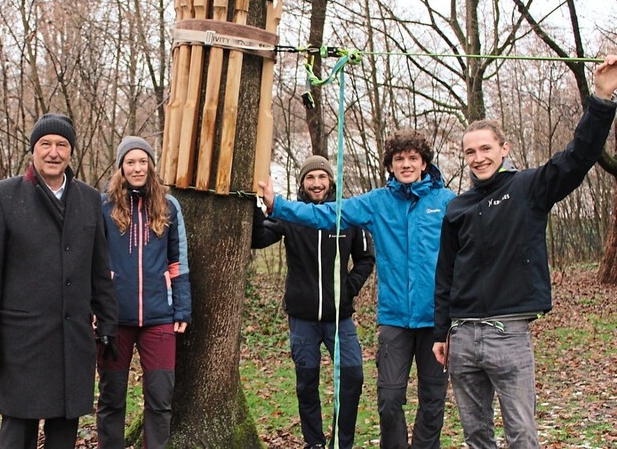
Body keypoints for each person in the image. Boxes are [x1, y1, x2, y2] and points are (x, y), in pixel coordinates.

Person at [432, 55, 617, 448]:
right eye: (470, 152)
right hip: (462, 337)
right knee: (476, 435)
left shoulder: (529, 189)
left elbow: (579, 156)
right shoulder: (456, 207)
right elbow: (445, 274)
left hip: (508, 334)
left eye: (486, 148)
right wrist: (440, 332)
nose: (479, 157)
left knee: (521, 434)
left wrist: (601, 97)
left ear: (504, 149)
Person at [260, 130, 455, 449]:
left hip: (436, 320)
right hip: (394, 321)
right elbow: (323, 214)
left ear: (424, 163)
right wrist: (276, 205)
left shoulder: (446, 202)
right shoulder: (377, 202)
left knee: (432, 400)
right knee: (390, 400)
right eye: (398, 159)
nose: (406, 164)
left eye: (412, 158)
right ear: (390, 166)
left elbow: (469, 248)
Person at [0, 113, 119, 449]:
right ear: (33, 150)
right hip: (21, 341)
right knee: (17, 433)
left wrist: (108, 321)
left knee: (64, 432)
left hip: (72, 339)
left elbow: (100, 268)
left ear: (71, 152)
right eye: (46, 144)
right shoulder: (3, 196)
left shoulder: (89, 199)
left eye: (62, 145)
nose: (54, 152)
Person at [251, 155, 375, 449]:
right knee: (307, 381)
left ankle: (342, 442)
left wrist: (348, 289)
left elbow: (366, 258)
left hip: (339, 318)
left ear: (331, 181)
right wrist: (255, 207)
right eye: (310, 178)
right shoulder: (291, 215)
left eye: (322, 177)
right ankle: (314, 442)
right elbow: (259, 238)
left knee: (353, 375)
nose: (317, 183)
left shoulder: (347, 214)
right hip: (303, 317)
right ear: (302, 183)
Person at [96, 136, 192, 449]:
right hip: (114, 318)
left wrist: (182, 308)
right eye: (130, 162)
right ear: (121, 167)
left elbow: (178, 262)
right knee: (112, 398)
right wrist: (94, 308)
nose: (137, 168)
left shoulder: (169, 205)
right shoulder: (104, 206)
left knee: (160, 399)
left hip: (160, 317)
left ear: (151, 165)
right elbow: (92, 263)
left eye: (142, 161)